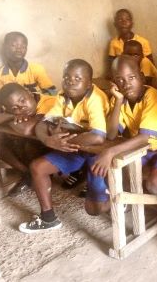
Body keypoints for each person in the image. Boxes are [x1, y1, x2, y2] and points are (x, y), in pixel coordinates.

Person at [18, 59, 109, 233]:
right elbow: (44, 123)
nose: (70, 81)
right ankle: (48, 219)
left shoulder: (95, 99)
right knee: (37, 167)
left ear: (89, 83)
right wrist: (48, 140)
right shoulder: (62, 95)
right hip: (76, 146)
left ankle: (116, 201)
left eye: (77, 78)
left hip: (98, 152)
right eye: (66, 77)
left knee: (94, 210)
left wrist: (63, 141)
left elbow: (98, 137)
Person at [91, 55, 157, 198]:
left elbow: (144, 138)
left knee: (155, 185)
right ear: (114, 82)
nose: (126, 84)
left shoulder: (151, 95)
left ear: (141, 77)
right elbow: (111, 134)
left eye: (131, 77)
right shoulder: (118, 99)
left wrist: (110, 152)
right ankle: (134, 199)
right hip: (144, 149)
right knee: (118, 172)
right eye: (120, 80)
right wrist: (118, 101)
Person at [0, 83, 56, 195]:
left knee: (27, 141)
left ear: (29, 93)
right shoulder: (14, 113)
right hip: (37, 144)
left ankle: (42, 173)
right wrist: (12, 116)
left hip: (59, 146)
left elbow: (26, 129)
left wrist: (12, 116)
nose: (22, 108)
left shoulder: (50, 102)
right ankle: (27, 172)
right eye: (15, 108)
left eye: (22, 100)